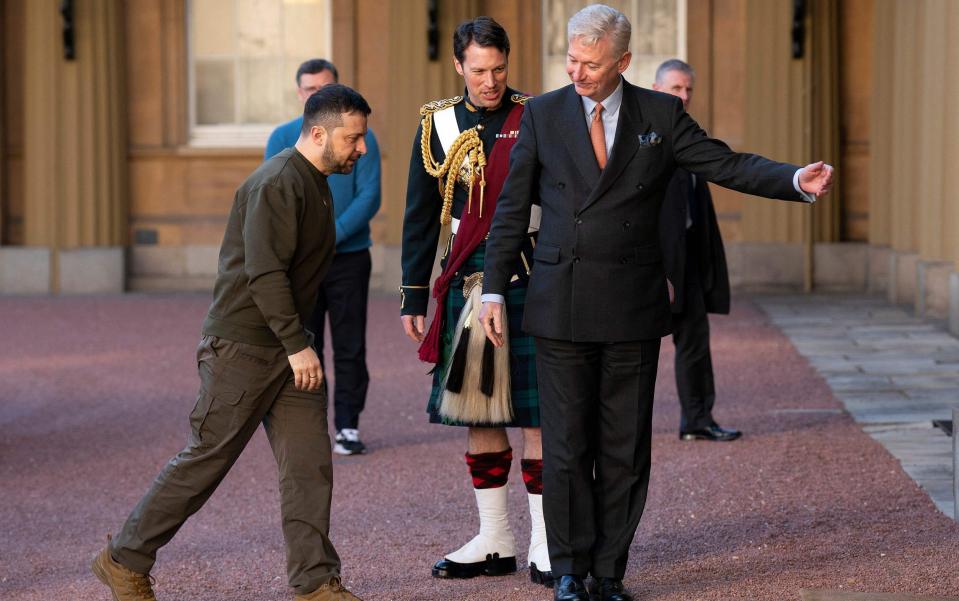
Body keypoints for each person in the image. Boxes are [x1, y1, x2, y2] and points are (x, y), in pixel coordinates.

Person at [478, 5, 833, 601]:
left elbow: (725, 163)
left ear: (623, 62)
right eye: (570, 59)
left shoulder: (661, 114)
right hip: (559, 301)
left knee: (624, 447)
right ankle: (567, 569)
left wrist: (794, 179)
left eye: (591, 63)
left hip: (632, 305)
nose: (577, 72)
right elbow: (512, 209)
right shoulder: (541, 113)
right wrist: (493, 287)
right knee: (565, 445)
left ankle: (609, 572)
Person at [91, 84, 371, 601]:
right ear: (317, 133)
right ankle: (123, 559)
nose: (361, 149)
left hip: (289, 349)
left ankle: (315, 583)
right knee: (206, 461)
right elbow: (264, 274)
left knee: (309, 466)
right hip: (244, 348)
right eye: (353, 139)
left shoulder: (319, 181)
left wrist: (296, 343)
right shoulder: (278, 183)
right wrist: (297, 343)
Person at [400, 16, 553, 589]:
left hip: (533, 277)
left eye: (500, 69)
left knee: (538, 414)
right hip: (467, 280)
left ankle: (544, 543)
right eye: (480, 70)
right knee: (479, 409)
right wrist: (413, 295)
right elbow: (420, 216)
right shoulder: (435, 123)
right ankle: (495, 539)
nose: (491, 82)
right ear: (459, 66)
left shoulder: (536, 112)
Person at [266, 58, 381, 456]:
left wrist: (328, 236)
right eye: (310, 90)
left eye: (325, 88)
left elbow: (370, 196)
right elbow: (275, 202)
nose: (317, 95)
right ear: (300, 95)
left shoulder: (362, 138)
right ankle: (309, 427)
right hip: (303, 265)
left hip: (349, 260)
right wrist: (311, 244)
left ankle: (348, 425)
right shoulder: (281, 137)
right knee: (304, 345)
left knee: (350, 346)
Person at [653, 59, 740, 442]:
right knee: (627, 354)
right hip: (646, 265)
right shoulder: (636, 135)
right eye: (676, 88)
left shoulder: (690, 136)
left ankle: (698, 420)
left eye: (688, 89)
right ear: (657, 90)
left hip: (686, 260)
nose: (684, 96)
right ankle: (611, 433)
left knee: (695, 344)